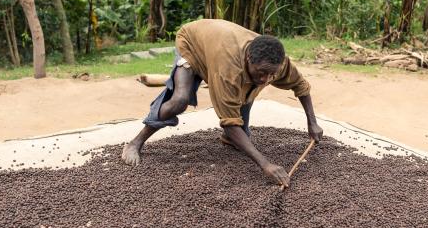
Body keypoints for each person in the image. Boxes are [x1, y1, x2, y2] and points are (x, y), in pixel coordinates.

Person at [121, 19, 322, 187]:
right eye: (261, 73)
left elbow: (302, 87)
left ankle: (229, 139)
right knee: (180, 101)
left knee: (241, 127)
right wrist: (265, 164)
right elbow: (228, 120)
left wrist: (312, 123)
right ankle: (135, 142)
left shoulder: (278, 63)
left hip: (217, 45)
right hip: (192, 42)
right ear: (248, 58)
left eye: (272, 74)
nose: (266, 79)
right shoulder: (228, 69)